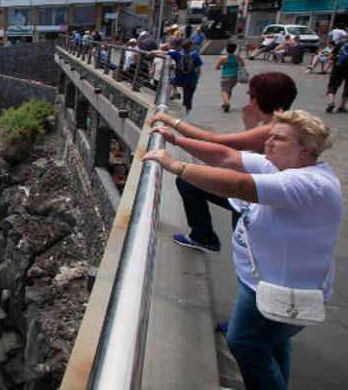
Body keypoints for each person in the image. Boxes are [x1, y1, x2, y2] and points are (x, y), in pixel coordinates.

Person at [144, 110, 340, 390]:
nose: (268, 142)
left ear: (306, 149)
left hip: (280, 287)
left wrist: (177, 166)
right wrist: (176, 140)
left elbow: (239, 185)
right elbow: (226, 157)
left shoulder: (307, 183)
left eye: (279, 138)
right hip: (269, 285)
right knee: (272, 342)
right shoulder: (282, 165)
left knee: (245, 344)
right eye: (270, 135)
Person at [152, 71, 298, 252]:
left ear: (256, 100)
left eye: (249, 95)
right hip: (257, 195)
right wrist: (250, 125)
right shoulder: (282, 126)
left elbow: (217, 144)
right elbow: (243, 155)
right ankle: (203, 235)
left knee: (246, 246)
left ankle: (203, 236)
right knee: (189, 183)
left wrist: (172, 122)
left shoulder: (273, 129)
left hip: (254, 198)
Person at [172, 39, 203, 113]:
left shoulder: (178, 54)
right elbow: (199, 69)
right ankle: (186, 112)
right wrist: (197, 79)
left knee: (170, 81)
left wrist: (153, 52)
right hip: (191, 79)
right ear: (190, 46)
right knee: (188, 97)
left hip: (180, 78)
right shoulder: (195, 56)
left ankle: (175, 92)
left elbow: (166, 52)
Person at [216, 42, 245, 113]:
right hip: (235, 76)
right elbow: (243, 64)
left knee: (224, 91)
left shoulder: (223, 58)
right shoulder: (237, 57)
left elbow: (217, 67)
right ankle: (226, 102)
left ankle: (227, 103)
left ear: (226, 49)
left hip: (225, 76)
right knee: (229, 89)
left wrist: (221, 67)